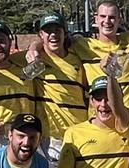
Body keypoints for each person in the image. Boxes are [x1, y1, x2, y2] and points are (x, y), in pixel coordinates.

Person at [29, 12, 87, 159]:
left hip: (79, 131)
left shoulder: (78, 58)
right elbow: (1, 62)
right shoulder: (34, 59)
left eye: (57, 30)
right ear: (41, 35)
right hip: (50, 139)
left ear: (65, 33)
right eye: (48, 31)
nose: (53, 35)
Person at [71, 1, 129, 109]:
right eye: (103, 16)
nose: (107, 21)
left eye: (112, 17)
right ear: (96, 19)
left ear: (119, 20)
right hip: (100, 114)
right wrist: (37, 45)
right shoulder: (83, 45)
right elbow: (48, 40)